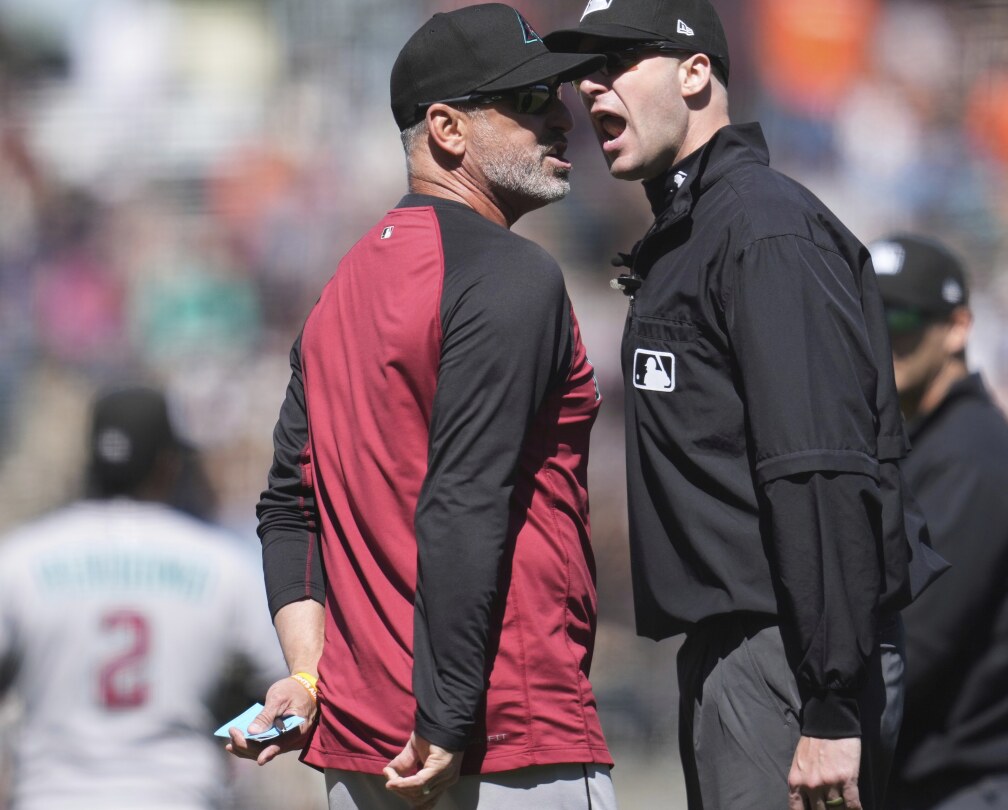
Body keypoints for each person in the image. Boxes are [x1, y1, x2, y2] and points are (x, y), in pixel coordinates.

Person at [547, 3, 946, 809]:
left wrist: (830, 702)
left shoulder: (763, 228)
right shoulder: (698, 231)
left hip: (788, 655)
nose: (590, 86)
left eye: (617, 60)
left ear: (695, 73)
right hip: (745, 652)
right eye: (584, 68)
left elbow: (822, 470)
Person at [232, 6, 615, 809]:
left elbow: (288, 512)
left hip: (364, 752)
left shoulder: (338, 291)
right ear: (446, 128)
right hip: (501, 737)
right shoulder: (511, 273)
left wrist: (307, 675)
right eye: (529, 99)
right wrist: (444, 717)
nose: (561, 115)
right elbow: (464, 500)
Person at [0, 385, 286, 810]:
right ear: (168, 465)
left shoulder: (21, 558)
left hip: (50, 794)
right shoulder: (220, 561)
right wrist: (231, 726)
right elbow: (286, 688)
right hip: (178, 792)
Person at [872, 235, 1008, 810]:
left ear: (958, 327)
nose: (883, 339)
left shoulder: (971, 457)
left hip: (970, 788)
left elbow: (913, 646)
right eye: (866, 319)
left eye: (902, 319)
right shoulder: (928, 446)